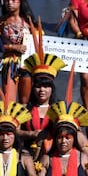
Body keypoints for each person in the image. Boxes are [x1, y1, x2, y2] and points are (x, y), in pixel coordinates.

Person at [21, 31, 66, 160]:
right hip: (26, 154)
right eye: (38, 86)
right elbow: (15, 131)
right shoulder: (25, 108)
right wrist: (31, 134)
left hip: (51, 156)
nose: (42, 90)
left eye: (46, 87)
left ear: (52, 89)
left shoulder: (58, 109)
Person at [0, 0, 36, 104]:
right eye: (7, 0)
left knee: (24, 102)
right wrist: (13, 47)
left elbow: (38, 43)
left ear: (20, 1)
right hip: (9, 64)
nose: (9, 3)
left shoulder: (29, 22)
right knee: (9, 101)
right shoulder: (1, 22)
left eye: (13, 0)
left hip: (26, 64)